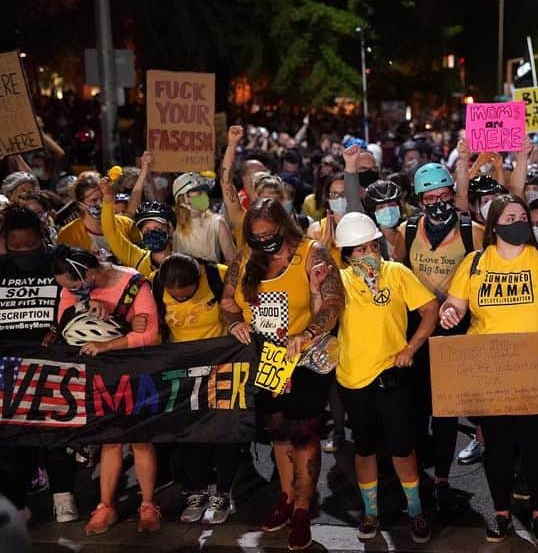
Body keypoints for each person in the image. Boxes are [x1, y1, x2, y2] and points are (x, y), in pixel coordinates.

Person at [439, 194, 538, 544]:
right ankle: (501, 512)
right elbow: (454, 303)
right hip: (490, 373)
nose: (519, 222)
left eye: (522, 216)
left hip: (537, 371)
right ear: (494, 223)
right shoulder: (474, 262)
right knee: (496, 447)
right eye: (511, 217)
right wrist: (449, 313)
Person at [220, 198, 344, 551]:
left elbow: (333, 303)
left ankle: (304, 506)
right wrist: (234, 324)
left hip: (302, 361)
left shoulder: (311, 253)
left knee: (303, 433)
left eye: (269, 235)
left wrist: (306, 334)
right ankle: (286, 497)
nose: (263, 242)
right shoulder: (245, 259)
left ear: (284, 227)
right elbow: (227, 302)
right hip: (264, 361)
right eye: (256, 237)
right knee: (277, 432)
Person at [331, 212, 438, 544]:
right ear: (347, 255)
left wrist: (411, 347)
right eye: (359, 250)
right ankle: (371, 511)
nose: (368, 255)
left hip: (392, 377)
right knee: (364, 449)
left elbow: (430, 310)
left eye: (372, 247)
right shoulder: (338, 280)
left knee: (402, 449)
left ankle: (416, 511)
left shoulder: (397, 273)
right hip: (352, 379)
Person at [389, 161, 483, 511]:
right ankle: (417, 477)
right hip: (417, 328)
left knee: (446, 410)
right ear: (419, 199)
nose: (438, 202)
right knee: (415, 408)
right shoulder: (408, 229)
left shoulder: (471, 229)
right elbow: (397, 271)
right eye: (430, 197)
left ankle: (442, 478)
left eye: (445, 195)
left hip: (456, 328)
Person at [48, 246, 161, 535]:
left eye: (74, 286)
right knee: (109, 440)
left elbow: (149, 334)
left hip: (136, 371)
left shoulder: (134, 284)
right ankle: (105, 505)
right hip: (100, 375)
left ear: (88, 272)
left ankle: (148, 505)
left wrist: (109, 339)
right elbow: (64, 327)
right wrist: (81, 309)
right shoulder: (73, 291)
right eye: (66, 289)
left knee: (140, 439)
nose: (72, 292)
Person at [0, 207, 79, 525]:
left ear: (42, 239)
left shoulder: (60, 260)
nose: (22, 251)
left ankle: (63, 498)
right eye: (15, 246)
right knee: (10, 443)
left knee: (56, 438)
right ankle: (16, 504)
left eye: (29, 245)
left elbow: (85, 293)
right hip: (7, 367)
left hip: (54, 364)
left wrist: (61, 327)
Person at [153, 253, 238, 525]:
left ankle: (223, 493)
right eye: (173, 295)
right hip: (183, 373)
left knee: (224, 434)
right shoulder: (155, 283)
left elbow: (242, 307)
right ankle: (196, 491)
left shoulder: (218, 276)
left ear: (198, 280)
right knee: (192, 435)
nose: (178, 298)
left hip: (222, 368)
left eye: (185, 294)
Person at [99, 178, 175, 276]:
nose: (152, 233)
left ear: (171, 229)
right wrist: (108, 200)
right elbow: (110, 231)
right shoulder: (137, 258)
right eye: (147, 230)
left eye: (157, 228)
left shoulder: (185, 261)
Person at [57, 174, 140, 262]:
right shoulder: (67, 235)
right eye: (94, 200)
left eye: (103, 198)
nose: (101, 204)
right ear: (80, 205)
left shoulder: (127, 224)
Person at [172, 172, 236, 264]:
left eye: (205, 192)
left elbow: (232, 259)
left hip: (211, 276)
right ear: (182, 199)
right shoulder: (173, 225)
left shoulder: (216, 222)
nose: (204, 196)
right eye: (199, 193)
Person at [306, 173, 348, 268]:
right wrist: (323, 245)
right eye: (334, 194)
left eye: (344, 194)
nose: (340, 198)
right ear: (328, 199)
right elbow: (308, 268)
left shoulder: (363, 225)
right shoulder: (315, 230)